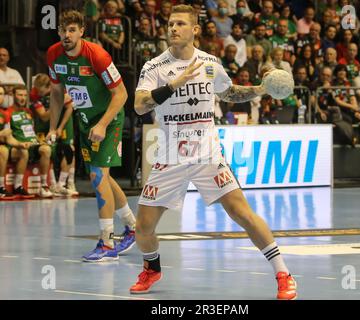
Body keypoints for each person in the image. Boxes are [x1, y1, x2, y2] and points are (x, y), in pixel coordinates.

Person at [132, 4, 297, 300]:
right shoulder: (154, 67)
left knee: (241, 213)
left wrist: (260, 88)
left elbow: (228, 91)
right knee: (142, 230)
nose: (173, 28)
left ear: (195, 29)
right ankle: (152, 267)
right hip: (169, 155)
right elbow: (140, 104)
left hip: (206, 153)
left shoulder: (210, 63)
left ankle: (283, 273)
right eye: (170, 23)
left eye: (180, 24)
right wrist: (172, 86)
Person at [46, 10, 136, 262]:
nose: (66, 34)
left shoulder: (97, 55)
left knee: (97, 175)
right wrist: (53, 128)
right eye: (63, 30)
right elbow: (55, 93)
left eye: (72, 29)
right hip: (85, 121)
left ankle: (107, 243)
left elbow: (121, 94)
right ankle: (132, 226)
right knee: (102, 176)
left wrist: (103, 125)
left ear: (82, 31)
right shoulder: (54, 54)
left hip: (108, 119)